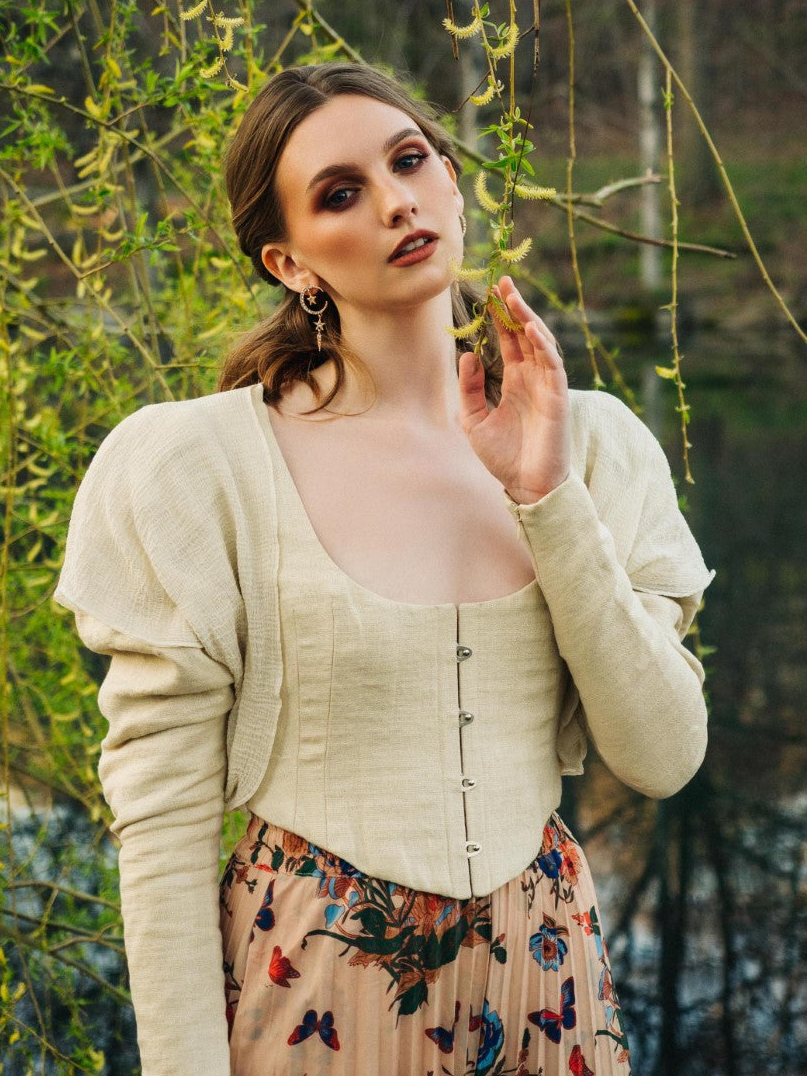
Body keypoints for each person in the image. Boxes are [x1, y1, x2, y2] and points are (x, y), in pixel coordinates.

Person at [55, 62, 714, 1076]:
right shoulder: (201, 467)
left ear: (450, 180)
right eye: (339, 192)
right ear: (288, 261)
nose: (394, 200)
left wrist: (545, 497)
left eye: (408, 160)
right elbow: (164, 827)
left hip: (546, 975)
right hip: (311, 988)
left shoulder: (592, 446)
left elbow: (661, 757)